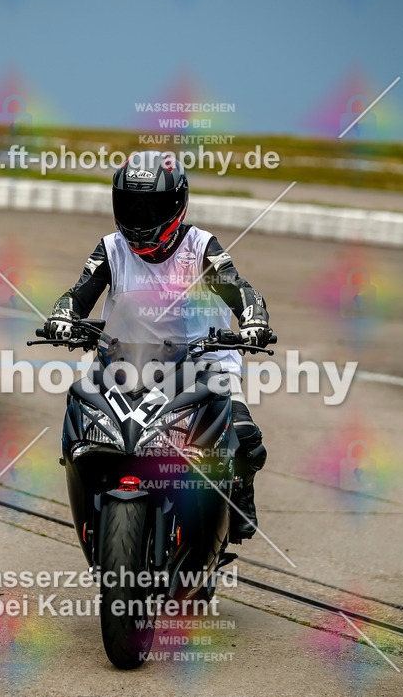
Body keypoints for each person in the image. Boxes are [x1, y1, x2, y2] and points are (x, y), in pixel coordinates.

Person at [43, 151, 273, 541]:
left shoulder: (202, 247)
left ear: (178, 202)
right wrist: (63, 316)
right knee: (83, 432)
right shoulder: (111, 249)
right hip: (127, 364)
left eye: (152, 207)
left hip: (204, 366)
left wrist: (254, 320)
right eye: (131, 205)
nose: (141, 217)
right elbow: (77, 294)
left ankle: (239, 493)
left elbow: (241, 290)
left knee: (246, 439)